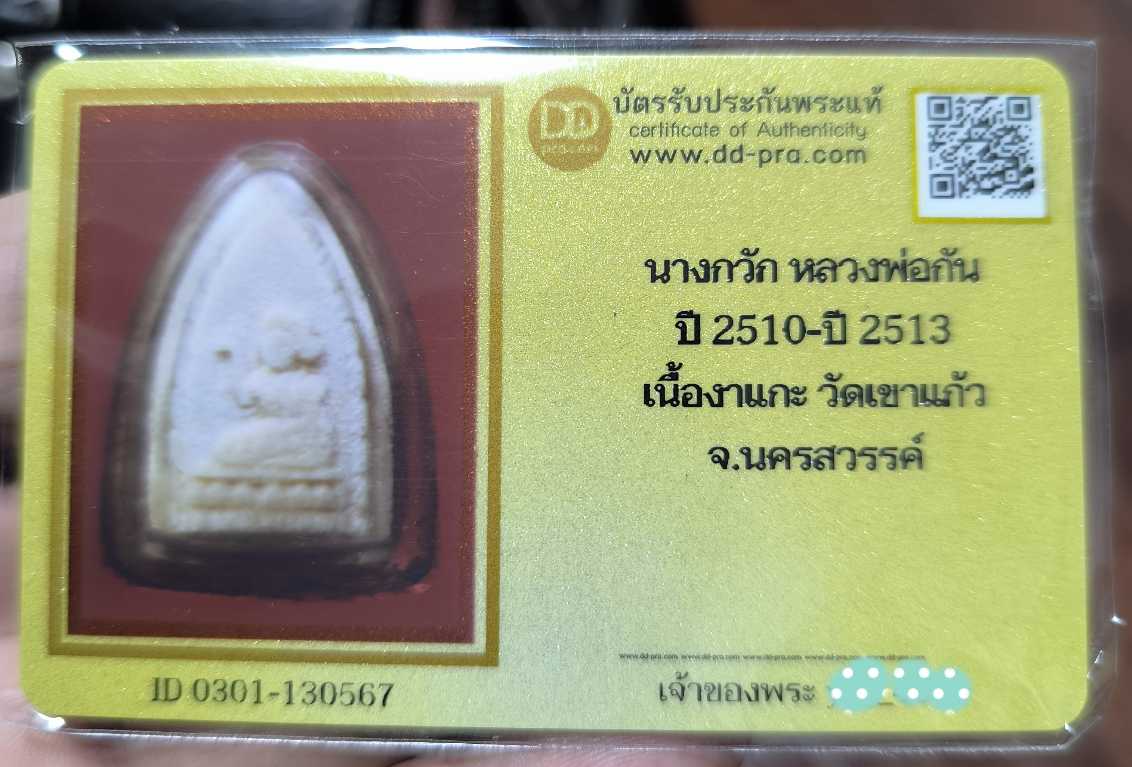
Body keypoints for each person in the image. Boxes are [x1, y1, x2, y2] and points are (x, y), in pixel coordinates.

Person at [0, 191, 738, 765]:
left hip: (308, 462)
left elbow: (301, 417)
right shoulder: (261, 340)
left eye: (276, 343)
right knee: (226, 456)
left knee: (251, 452)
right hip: (262, 488)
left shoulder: (309, 382)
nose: (268, 352)